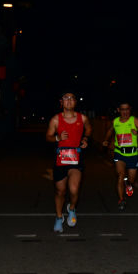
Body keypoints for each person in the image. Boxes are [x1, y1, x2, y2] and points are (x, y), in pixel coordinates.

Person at [45, 92, 92, 233]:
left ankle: (71, 209)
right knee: (60, 191)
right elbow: (48, 136)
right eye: (66, 98)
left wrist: (85, 139)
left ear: (75, 102)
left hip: (76, 160)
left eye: (72, 98)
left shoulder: (82, 118)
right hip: (61, 160)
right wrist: (57, 138)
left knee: (74, 189)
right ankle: (59, 217)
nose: (69, 100)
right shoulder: (56, 119)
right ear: (61, 102)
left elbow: (89, 128)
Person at [102, 102, 138, 210]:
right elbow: (110, 130)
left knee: (132, 179)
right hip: (119, 152)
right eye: (123, 109)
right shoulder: (115, 121)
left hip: (132, 154)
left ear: (130, 110)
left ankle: (129, 184)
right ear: (118, 110)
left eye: (127, 109)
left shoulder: (134, 120)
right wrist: (106, 140)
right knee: (120, 175)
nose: (125, 112)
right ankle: (121, 199)